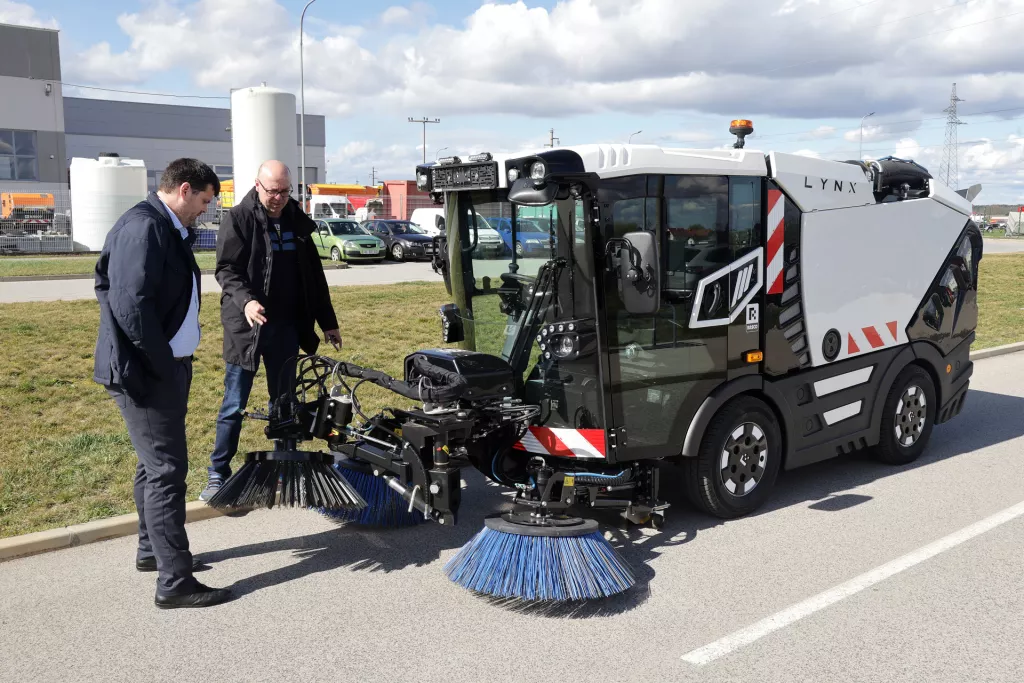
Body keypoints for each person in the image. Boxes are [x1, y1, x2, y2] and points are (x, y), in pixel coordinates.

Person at [93, 158, 232, 609]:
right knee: (166, 472)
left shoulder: (164, 227)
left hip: (160, 366)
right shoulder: (145, 229)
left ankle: (152, 551)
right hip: (147, 371)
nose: (206, 211)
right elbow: (132, 307)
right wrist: (161, 366)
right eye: (205, 202)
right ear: (185, 189)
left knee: (151, 466)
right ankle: (175, 581)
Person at [200, 160, 342, 500]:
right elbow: (226, 271)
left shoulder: (297, 222)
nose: (278, 198)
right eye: (272, 191)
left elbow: (314, 280)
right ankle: (218, 473)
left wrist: (328, 322)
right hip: (246, 328)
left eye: (284, 191)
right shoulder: (238, 219)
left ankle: (286, 469)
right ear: (257, 185)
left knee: (285, 402)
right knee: (234, 404)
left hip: (287, 326)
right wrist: (247, 301)